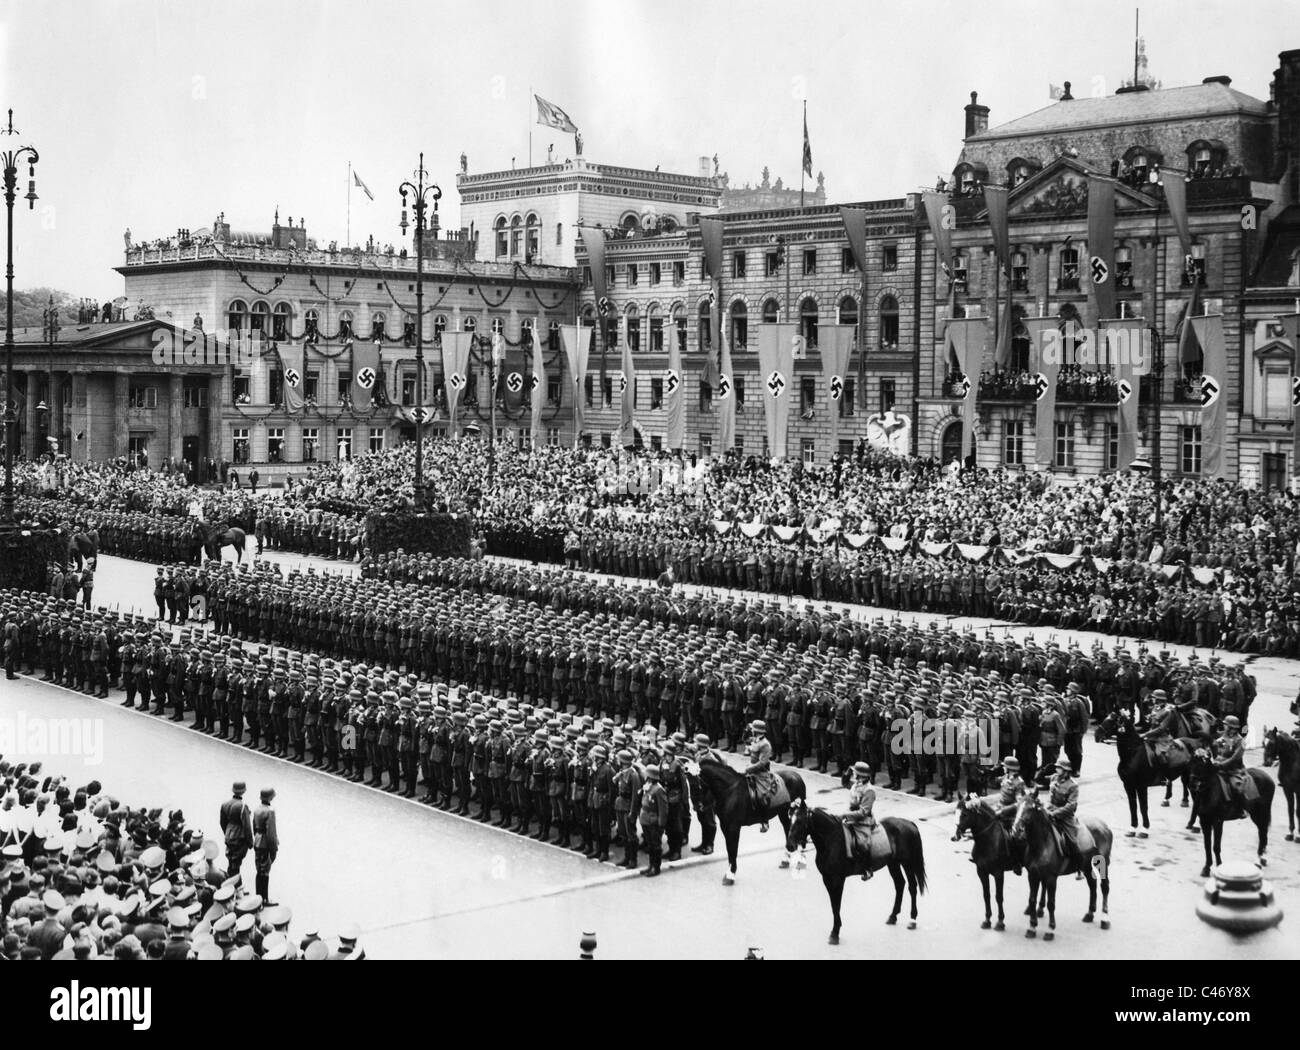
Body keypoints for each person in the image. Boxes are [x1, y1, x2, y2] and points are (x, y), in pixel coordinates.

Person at [1045, 756, 1093, 871]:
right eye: (1057, 767)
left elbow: (1071, 806)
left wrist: (1055, 813)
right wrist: (1047, 808)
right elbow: (1049, 797)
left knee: (1073, 841)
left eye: (1059, 768)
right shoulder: (1053, 778)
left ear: (1066, 771)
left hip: (1065, 817)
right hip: (1051, 811)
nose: (1057, 769)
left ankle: (1078, 865)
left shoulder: (1073, 785)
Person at [1210, 715, 1257, 814]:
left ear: (1232, 728)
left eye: (1225, 725)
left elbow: (1235, 758)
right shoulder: (1222, 735)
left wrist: (1222, 765)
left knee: (1237, 786)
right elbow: (1212, 735)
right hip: (1217, 765)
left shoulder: (1240, 741)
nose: (1224, 726)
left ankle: (1240, 809)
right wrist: (1213, 725)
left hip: (1233, 769)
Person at [842, 761, 878, 880]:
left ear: (862, 776)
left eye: (855, 774)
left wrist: (845, 815)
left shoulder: (869, 791)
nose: (854, 775)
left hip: (863, 821)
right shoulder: (856, 784)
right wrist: (847, 773)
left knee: (863, 843)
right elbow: (845, 783)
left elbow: (863, 812)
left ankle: (868, 869)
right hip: (851, 816)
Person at [744, 718, 774, 832]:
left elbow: (762, 763)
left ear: (756, 731)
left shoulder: (765, 744)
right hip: (751, 769)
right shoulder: (755, 740)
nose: (751, 731)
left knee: (761, 797)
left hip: (762, 773)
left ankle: (765, 821)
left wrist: (748, 769)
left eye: (752, 730)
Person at [219, 781, 253, 883]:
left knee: (231, 861)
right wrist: (250, 842)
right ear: (243, 791)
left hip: (229, 835)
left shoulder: (225, 804)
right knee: (236, 864)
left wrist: (227, 833)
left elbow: (222, 822)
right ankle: (235, 885)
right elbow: (247, 826)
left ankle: (230, 882)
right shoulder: (242, 806)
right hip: (239, 837)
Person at [638, 764, 668, 877]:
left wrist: (661, 825)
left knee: (655, 845)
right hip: (646, 819)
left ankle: (656, 867)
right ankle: (651, 865)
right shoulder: (647, 786)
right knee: (650, 845)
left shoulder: (659, 790)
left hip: (654, 821)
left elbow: (663, 809)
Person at [252, 787, 279, 903]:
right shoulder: (270, 811)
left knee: (259, 871)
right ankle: (265, 898)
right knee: (265, 872)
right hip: (265, 843)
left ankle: (259, 897)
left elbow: (254, 826)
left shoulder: (257, 809)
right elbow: (271, 833)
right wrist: (274, 848)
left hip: (258, 840)